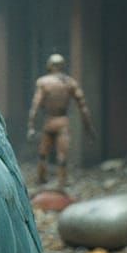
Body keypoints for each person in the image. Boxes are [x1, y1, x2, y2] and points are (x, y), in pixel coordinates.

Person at [27, 53, 95, 187]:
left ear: (49, 66)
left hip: (49, 121)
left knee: (43, 153)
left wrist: (31, 126)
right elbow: (83, 107)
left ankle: (41, 178)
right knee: (62, 154)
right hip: (63, 121)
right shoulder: (70, 82)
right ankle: (61, 181)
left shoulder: (43, 82)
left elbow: (35, 106)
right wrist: (88, 127)